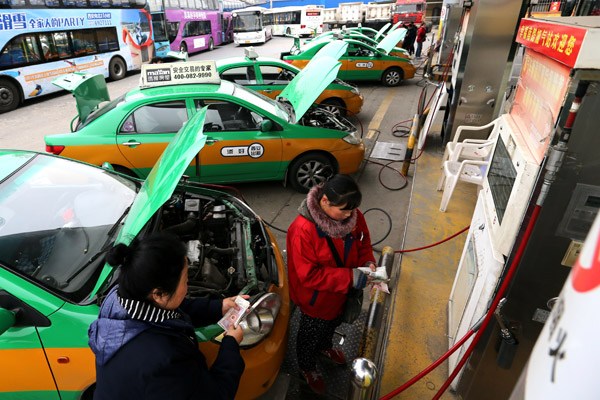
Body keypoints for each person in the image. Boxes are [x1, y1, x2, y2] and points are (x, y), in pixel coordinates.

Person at [88, 232, 246, 399]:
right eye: (185, 281)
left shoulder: (121, 296)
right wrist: (231, 344)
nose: (187, 286)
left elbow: (171, 309)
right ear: (158, 294)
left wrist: (219, 307)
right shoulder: (165, 361)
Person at [286, 174, 376, 394]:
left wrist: (368, 261)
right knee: (309, 334)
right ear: (324, 201)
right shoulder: (302, 230)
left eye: (353, 210)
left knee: (332, 325)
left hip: (342, 294)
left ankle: (325, 347)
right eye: (344, 210)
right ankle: (307, 367)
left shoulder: (353, 216)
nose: (349, 216)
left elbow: (364, 241)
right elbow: (308, 275)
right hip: (316, 300)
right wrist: (350, 278)